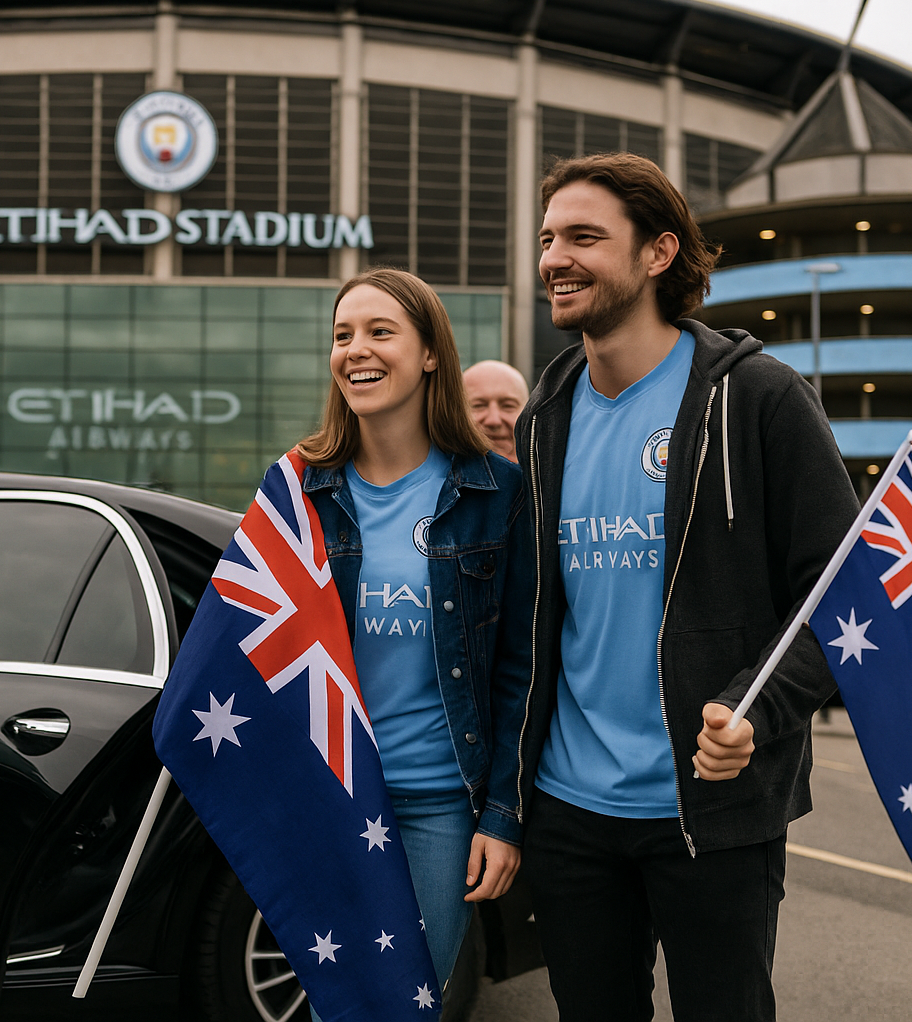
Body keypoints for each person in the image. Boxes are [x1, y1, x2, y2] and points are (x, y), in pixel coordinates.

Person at [513, 152, 857, 1021]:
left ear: (659, 252)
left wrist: (754, 708)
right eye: (548, 237)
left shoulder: (762, 399)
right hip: (568, 810)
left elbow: (845, 595)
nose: (555, 257)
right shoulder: (543, 418)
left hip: (711, 809)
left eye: (584, 237)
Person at [297, 268, 533, 1013]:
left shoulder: (496, 493)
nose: (355, 350)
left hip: (440, 808)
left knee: (406, 1005)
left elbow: (521, 667)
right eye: (342, 335)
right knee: (338, 1001)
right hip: (331, 799)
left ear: (431, 353)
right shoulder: (299, 490)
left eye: (378, 331)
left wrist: (502, 815)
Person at [461, 359, 528, 462]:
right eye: (478, 406)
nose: (494, 421)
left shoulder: (551, 475)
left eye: (508, 406)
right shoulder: (436, 475)